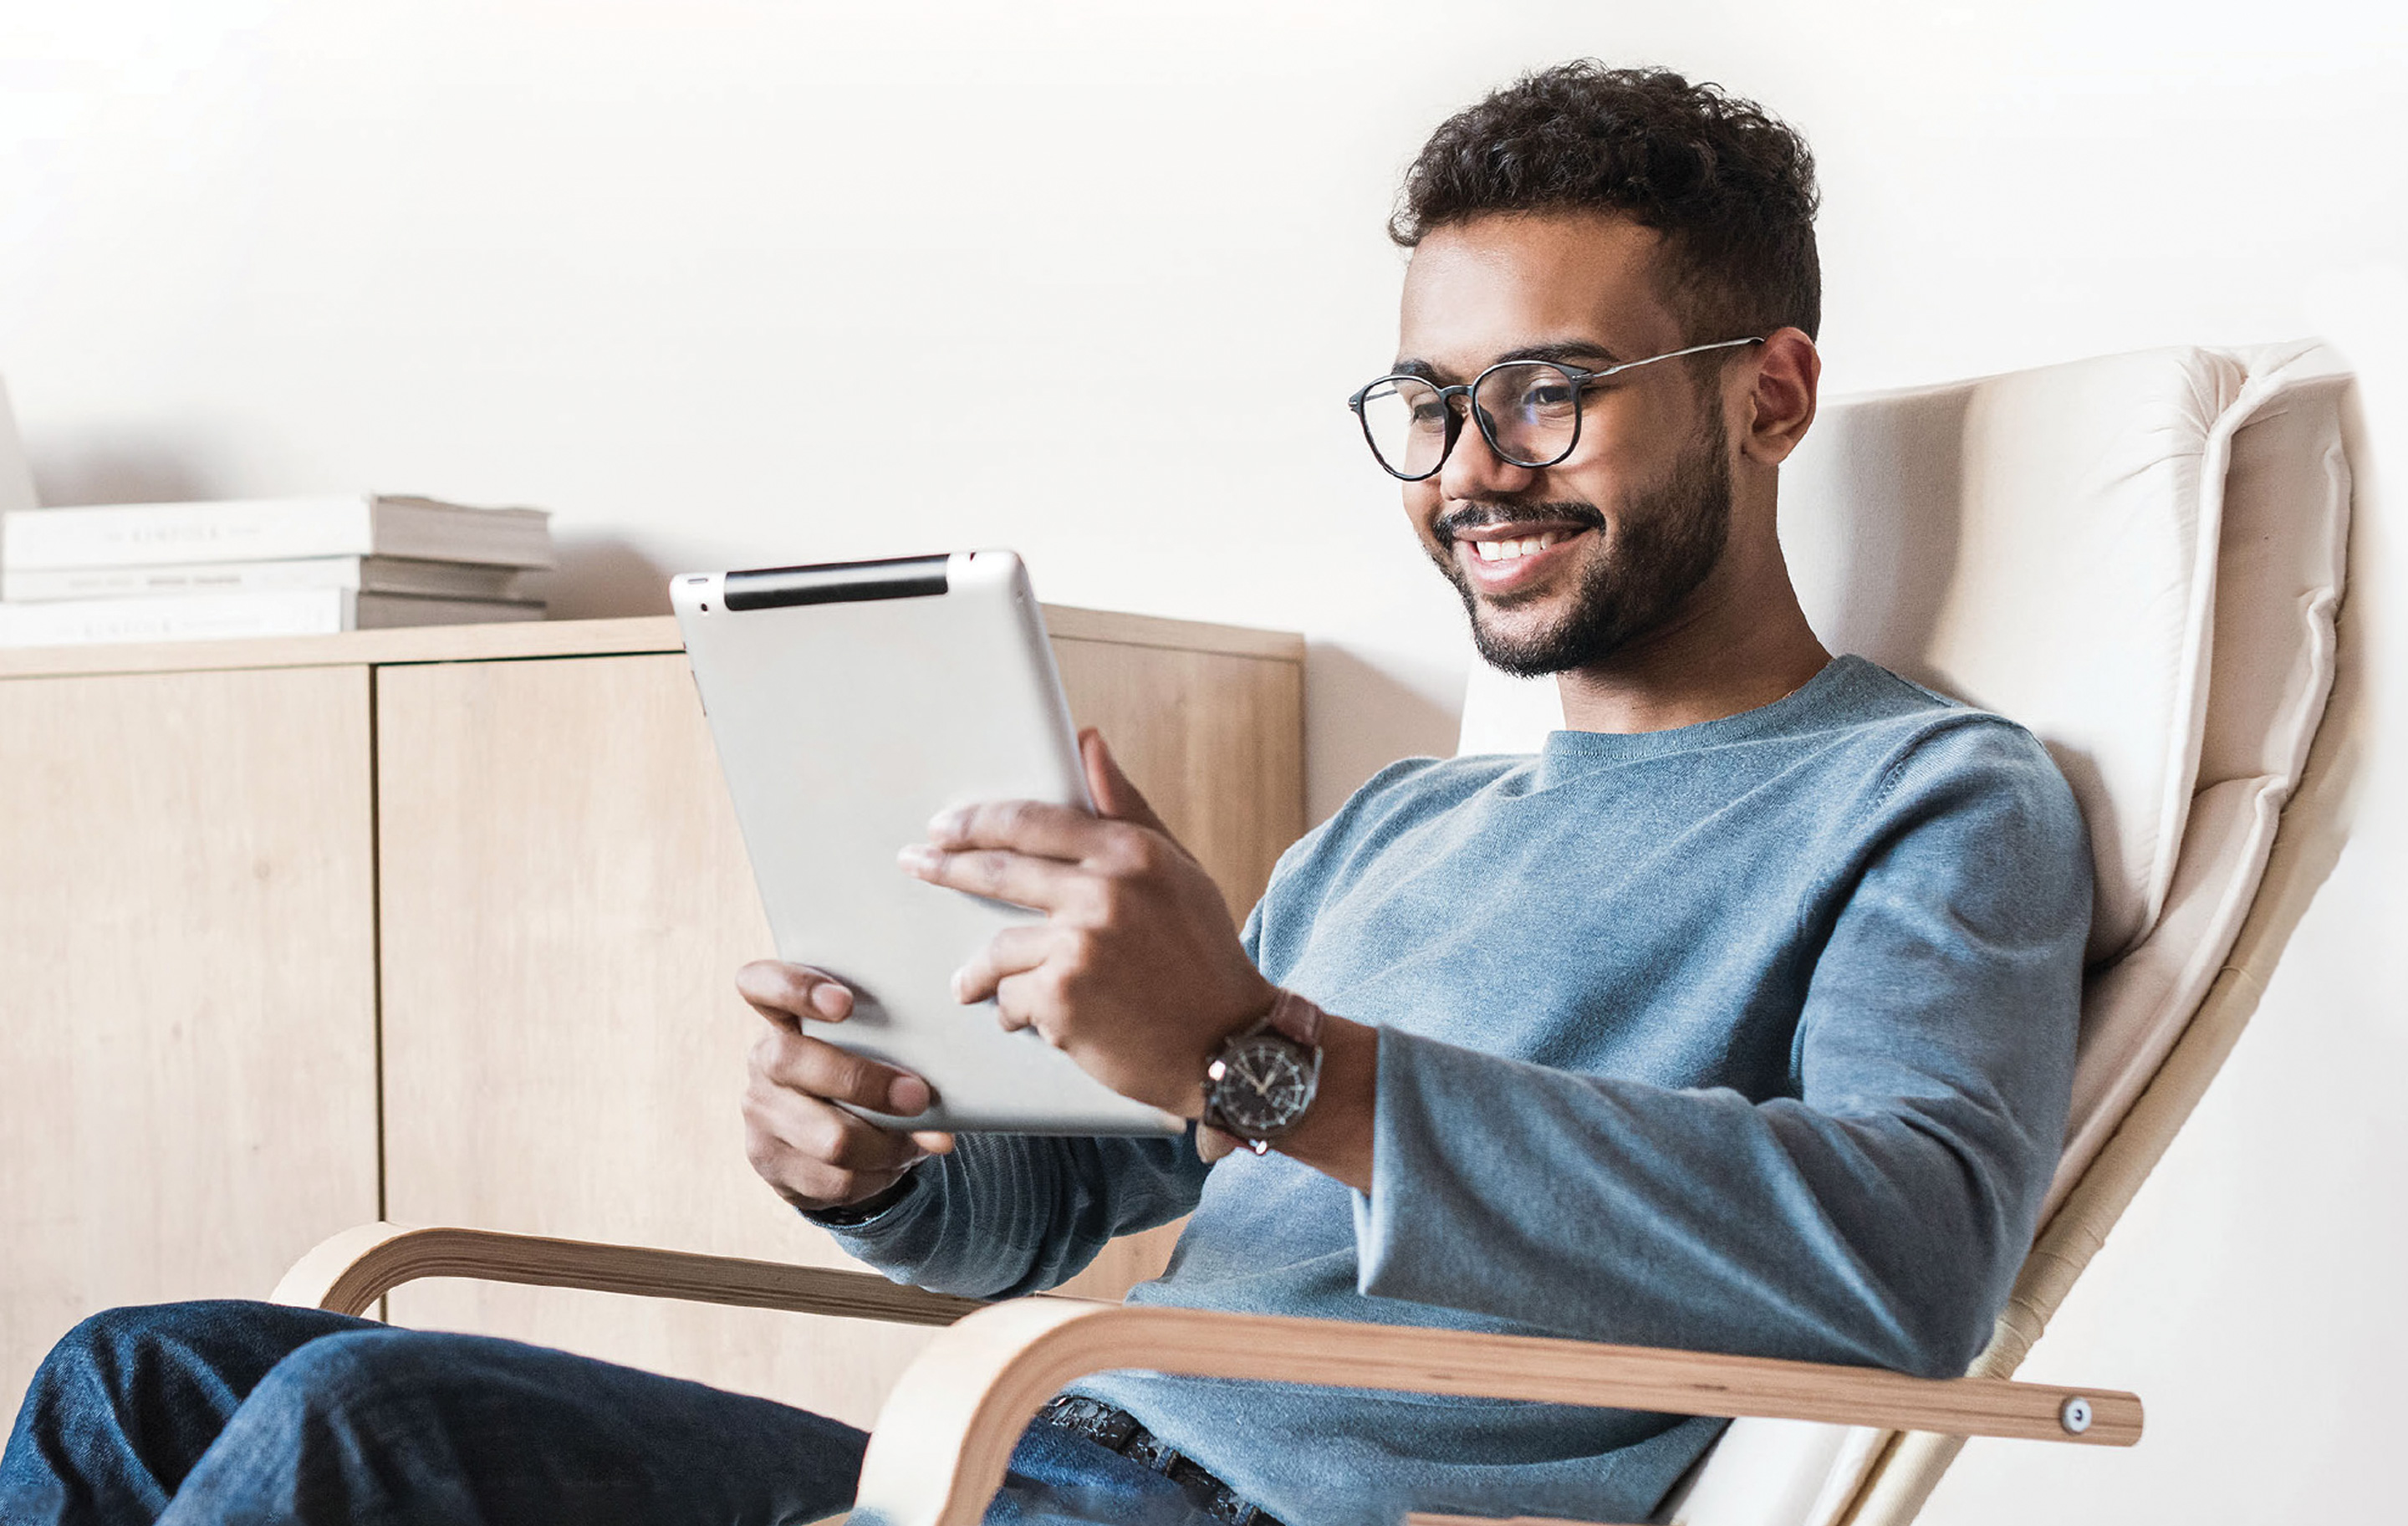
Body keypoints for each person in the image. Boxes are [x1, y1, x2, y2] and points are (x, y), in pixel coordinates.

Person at [0, 61, 2090, 1526]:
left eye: (1547, 390)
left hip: (1255, 1509)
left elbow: (1905, 1257)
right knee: (139, 1372)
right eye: (1431, 402)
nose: (1469, 469)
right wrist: (891, 1160)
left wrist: (1270, 1050)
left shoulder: (1927, 798)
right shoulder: (1405, 828)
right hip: (1024, 1446)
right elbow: (1103, 1194)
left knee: (369, 1429)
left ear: (1772, 390)